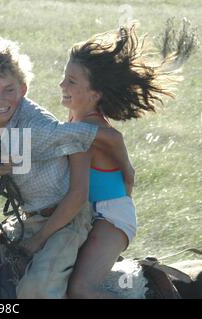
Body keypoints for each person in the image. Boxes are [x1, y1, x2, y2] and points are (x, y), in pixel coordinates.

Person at [0, 38, 134, 298]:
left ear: (23, 89)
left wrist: (127, 172)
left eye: (9, 89)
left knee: (37, 291)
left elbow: (99, 141)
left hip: (67, 220)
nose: (0, 99)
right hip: (26, 219)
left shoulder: (40, 127)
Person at [62, 25, 180, 298]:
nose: (61, 86)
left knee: (80, 289)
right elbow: (128, 175)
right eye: (63, 78)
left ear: (95, 94)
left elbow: (116, 145)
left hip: (111, 217)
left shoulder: (93, 130)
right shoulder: (75, 123)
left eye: (71, 81)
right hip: (91, 212)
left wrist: (123, 174)